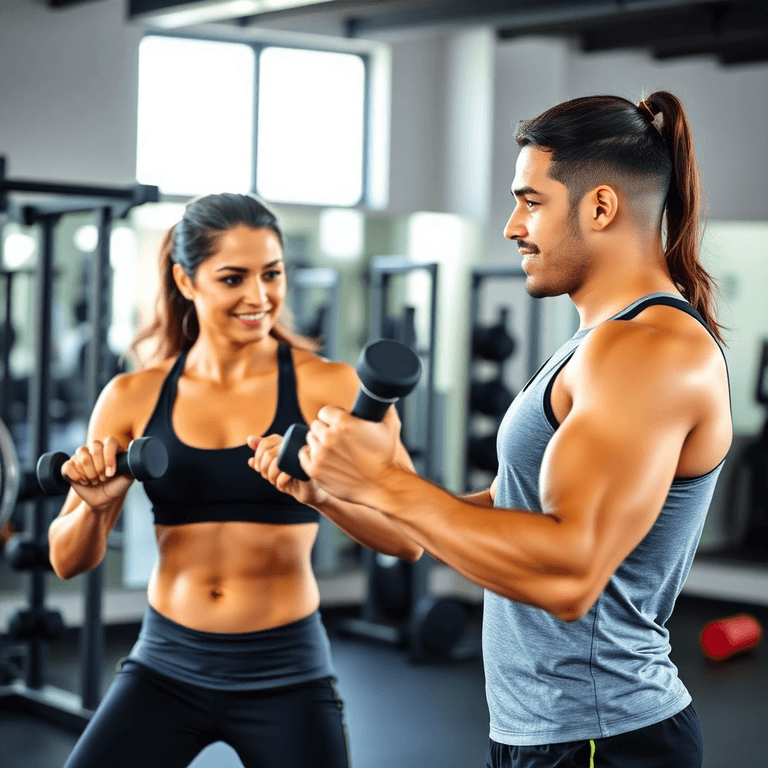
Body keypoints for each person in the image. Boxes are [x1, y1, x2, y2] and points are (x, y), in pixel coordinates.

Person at [252, 92, 732, 768]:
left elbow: (569, 575)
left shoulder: (648, 351)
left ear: (600, 207)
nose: (512, 227)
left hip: (603, 740)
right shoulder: (596, 347)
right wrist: (337, 491)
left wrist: (386, 481)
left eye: (530, 201)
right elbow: (484, 522)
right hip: (546, 734)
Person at [47, 192, 423, 768]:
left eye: (272, 274)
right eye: (232, 278)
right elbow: (66, 560)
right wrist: (96, 508)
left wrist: (320, 493)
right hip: (165, 664)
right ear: (186, 279)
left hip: (287, 672)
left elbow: (409, 538)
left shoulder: (332, 388)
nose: (258, 296)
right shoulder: (133, 395)